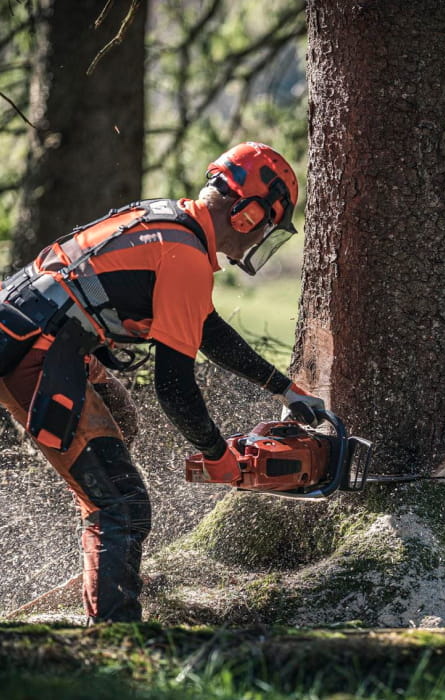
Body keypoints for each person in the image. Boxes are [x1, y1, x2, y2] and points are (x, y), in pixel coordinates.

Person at [0, 142, 324, 624]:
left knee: (122, 426)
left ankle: (106, 554)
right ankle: (117, 640)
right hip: (36, 352)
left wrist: (286, 390)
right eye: (266, 229)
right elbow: (174, 388)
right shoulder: (185, 258)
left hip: (41, 330)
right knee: (125, 506)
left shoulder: (172, 222)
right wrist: (218, 456)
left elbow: (207, 328)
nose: (259, 241)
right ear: (246, 214)